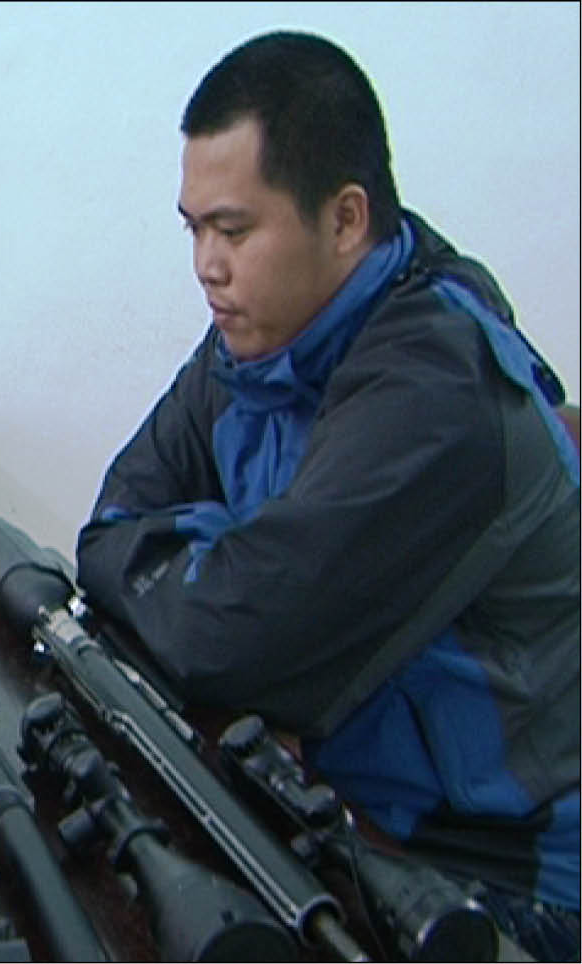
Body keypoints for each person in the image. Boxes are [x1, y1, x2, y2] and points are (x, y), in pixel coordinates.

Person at [74, 31, 579, 960]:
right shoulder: (256, 337)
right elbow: (107, 531)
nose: (206, 266)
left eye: (233, 231)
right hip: (342, 818)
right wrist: (244, 561)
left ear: (344, 221)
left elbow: (228, 644)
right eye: (193, 230)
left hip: (495, 889)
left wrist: (237, 571)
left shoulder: (436, 389)